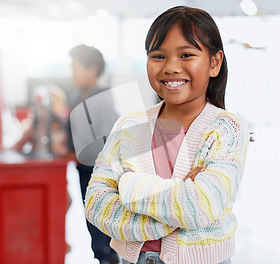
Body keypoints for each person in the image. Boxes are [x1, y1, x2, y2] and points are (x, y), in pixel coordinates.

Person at [84, 6, 250, 264]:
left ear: (214, 63)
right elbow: (97, 205)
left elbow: (200, 208)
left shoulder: (225, 129)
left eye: (186, 55)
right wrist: (176, 211)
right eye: (158, 56)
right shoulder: (129, 126)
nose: (171, 67)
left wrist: (128, 187)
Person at [67, 44, 119, 264]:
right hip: (83, 170)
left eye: (76, 68)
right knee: (91, 221)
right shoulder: (76, 96)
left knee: (102, 225)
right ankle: (102, 256)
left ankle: (108, 257)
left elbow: (111, 141)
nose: (73, 74)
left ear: (93, 69)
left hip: (99, 172)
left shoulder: (102, 100)